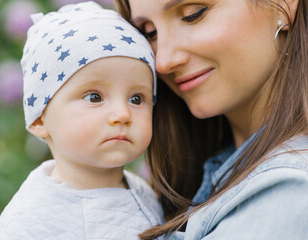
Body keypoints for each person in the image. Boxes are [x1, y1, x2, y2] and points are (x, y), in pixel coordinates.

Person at [114, 0, 308, 239]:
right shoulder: (210, 173)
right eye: (150, 33)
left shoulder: (290, 189)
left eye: (193, 15)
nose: (163, 61)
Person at [0, 2, 165, 239]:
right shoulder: (32, 222)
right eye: (94, 97)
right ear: (39, 119)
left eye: (136, 99)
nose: (122, 114)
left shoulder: (142, 190)